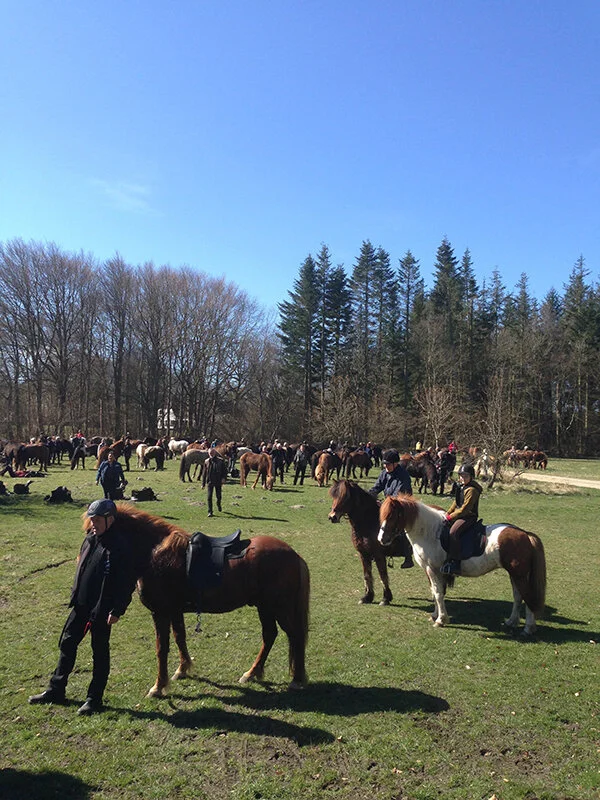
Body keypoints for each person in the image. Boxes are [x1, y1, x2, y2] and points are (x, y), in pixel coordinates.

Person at [28, 499, 137, 715]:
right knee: (67, 644)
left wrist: (117, 610)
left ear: (110, 519)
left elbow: (127, 583)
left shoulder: (120, 548)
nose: (93, 523)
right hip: (80, 605)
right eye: (91, 519)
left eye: (97, 520)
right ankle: (56, 689)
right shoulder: (89, 540)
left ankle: (94, 699)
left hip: (102, 610)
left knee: (99, 652)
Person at [369, 449, 414, 568]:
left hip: (402, 505)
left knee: (401, 526)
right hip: (388, 504)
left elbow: (398, 495)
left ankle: (408, 556)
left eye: (388, 464)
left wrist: (384, 504)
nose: (385, 466)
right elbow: (377, 487)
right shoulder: (384, 473)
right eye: (384, 464)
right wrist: (369, 496)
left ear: (395, 464)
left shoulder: (403, 476)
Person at [441, 462, 483, 575]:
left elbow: (464, 509)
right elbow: (456, 502)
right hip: (460, 514)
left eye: (466, 476)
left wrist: (450, 517)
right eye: (461, 476)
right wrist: (447, 513)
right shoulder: (462, 487)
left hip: (468, 517)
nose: (463, 478)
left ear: (471, 477)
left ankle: (456, 562)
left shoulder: (472, 490)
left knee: (453, 532)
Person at [203, 447, 228, 517]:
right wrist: (203, 483)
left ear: (215, 453)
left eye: (212, 453)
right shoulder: (206, 461)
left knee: (218, 496)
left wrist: (224, 478)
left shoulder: (220, 461)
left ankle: (218, 504)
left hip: (218, 481)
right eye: (210, 453)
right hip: (210, 481)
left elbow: (225, 471)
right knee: (209, 497)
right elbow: (204, 473)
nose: (211, 454)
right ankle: (210, 511)